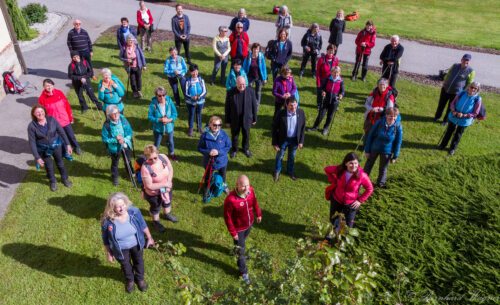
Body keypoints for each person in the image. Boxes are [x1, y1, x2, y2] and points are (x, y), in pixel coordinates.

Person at [101, 192, 154, 293]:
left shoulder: (134, 212)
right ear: (112, 208)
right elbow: (105, 239)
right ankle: (130, 280)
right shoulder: (107, 221)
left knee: (139, 261)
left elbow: (143, 225)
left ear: (126, 203)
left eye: (123, 205)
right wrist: (109, 253)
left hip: (136, 244)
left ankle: (140, 279)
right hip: (120, 249)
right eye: (118, 207)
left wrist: (149, 237)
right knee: (125, 265)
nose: (122, 208)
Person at [223, 175, 262, 284]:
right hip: (238, 229)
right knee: (241, 250)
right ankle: (243, 271)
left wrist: (258, 214)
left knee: (240, 243)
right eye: (243, 186)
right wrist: (233, 232)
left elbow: (255, 202)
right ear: (237, 185)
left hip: (249, 225)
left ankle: (236, 248)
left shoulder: (251, 191)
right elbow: (227, 217)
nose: (246, 189)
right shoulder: (231, 200)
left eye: (247, 186)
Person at [28, 104, 72, 191]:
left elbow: (61, 132)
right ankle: (53, 181)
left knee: (60, 163)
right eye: (37, 112)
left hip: (56, 145)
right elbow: (32, 142)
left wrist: (68, 144)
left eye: (41, 111)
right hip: (43, 149)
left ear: (44, 111)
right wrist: (37, 157)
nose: (40, 113)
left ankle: (65, 179)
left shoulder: (52, 119)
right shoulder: (31, 126)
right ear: (33, 114)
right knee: (49, 166)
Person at [324, 152, 373, 230]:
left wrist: (360, 201)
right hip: (336, 200)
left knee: (348, 224)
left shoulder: (362, 175)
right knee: (333, 220)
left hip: (351, 204)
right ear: (346, 163)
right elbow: (327, 169)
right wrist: (334, 181)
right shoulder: (340, 170)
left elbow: (370, 189)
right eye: (351, 163)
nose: (354, 166)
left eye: (356, 163)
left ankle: (343, 238)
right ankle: (331, 235)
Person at [38, 79, 81, 156]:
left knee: (71, 135)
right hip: (54, 123)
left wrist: (70, 117)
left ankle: (76, 147)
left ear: (53, 85)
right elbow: (42, 113)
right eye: (47, 85)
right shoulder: (42, 99)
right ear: (44, 87)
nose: (49, 87)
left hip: (65, 119)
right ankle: (66, 151)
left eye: (50, 85)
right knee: (61, 138)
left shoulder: (59, 93)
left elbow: (67, 105)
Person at [141, 144, 178, 233]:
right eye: (150, 159)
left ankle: (167, 214)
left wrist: (169, 181)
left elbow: (170, 169)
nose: (153, 160)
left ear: (158, 154)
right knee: (156, 207)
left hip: (166, 188)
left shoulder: (163, 157)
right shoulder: (145, 168)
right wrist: (165, 184)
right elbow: (149, 186)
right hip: (154, 193)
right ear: (146, 158)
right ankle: (156, 221)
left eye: (155, 158)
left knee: (167, 201)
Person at [438, 82, 482, 156]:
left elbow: (475, 113)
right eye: (472, 87)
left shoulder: (478, 99)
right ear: (469, 87)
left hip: (465, 120)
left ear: (477, 90)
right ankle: (443, 145)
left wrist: (464, 115)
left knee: (458, 134)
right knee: (449, 131)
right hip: (454, 116)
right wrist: (453, 111)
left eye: (475, 88)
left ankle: (452, 149)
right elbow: (452, 103)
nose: (473, 89)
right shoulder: (461, 93)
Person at [363, 107, 403, 188]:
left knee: (383, 169)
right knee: (368, 165)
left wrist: (395, 156)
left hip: (387, 152)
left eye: (395, 116)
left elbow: (398, 142)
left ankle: (380, 184)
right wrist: (367, 150)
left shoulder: (398, 127)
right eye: (390, 116)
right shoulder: (379, 122)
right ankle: (362, 181)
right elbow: (370, 136)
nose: (393, 118)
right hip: (374, 148)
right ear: (386, 115)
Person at [434, 54, 475, 125]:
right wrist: (445, 82)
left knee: (451, 107)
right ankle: (437, 116)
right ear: (461, 59)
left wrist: (462, 91)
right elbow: (448, 74)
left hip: (456, 93)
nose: (466, 61)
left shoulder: (471, 71)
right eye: (465, 59)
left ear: (469, 61)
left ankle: (445, 121)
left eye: (467, 60)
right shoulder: (455, 66)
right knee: (441, 104)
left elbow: (469, 83)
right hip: (445, 89)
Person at [198, 115, 232, 199]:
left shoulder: (223, 134)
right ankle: (207, 187)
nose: (217, 127)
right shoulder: (204, 136)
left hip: (222, 161)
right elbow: (199, 148)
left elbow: (228, 146)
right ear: (210, 125)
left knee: (223, 175)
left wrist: (219, 152)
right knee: (208, 176)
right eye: (214, 125)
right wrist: (208, 152)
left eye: (219, 125)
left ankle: (223, 185)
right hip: (209, 162)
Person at [272, 97, 305, 182]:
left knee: (292, 157)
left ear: (297, 104)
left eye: (295, 105)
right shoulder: (281, 113)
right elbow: (274, 128)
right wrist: (275, 143)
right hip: (283, 140)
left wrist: (301, 141)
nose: (293, 108)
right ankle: (277, 171)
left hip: (294, 140)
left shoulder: (301, 113)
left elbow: (302, 128)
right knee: (279, 156)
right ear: (286, 105)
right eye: (291, 106)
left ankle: (290, 172)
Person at [101, 105, 134, 186]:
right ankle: (115, 177)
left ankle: (130, 173)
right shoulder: (107, 125)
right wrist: (116, 140)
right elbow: (104, 139)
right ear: (109, 115)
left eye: (117, 112)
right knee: (115, 163)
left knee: (128, 160)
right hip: (114, 149)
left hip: (125, 145)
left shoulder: (123, 119)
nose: (116, 115)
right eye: (113, 113)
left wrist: (124, 139)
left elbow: (129, 132)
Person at [225, 76, 257, 158]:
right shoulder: (230, 92)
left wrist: (254, 118)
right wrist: (227, 121)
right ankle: (234, 149)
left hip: (246, 118)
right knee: (235, 135)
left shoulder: (251, 91)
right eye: (240, 84)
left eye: (243, 84)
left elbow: (254, 106)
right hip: (235, 119)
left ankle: (245, 149)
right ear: (236, 84)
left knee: (246, 134)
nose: (242, 86)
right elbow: (227, 107)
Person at [307, 66, 344, 135]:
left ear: (339, 73)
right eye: (334, 73)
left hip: (334, 101)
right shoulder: (327, 79)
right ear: (331, 72)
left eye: (337, 73)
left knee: (330, 116)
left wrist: (341, 95)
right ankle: (315, 127)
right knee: (321, 114)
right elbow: (322, 87)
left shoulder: (340, 81)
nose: (336, 74)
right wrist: (323, 91)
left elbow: (342, 91)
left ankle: (325, 128)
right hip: (326, 100)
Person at [148, 86, 178, 161]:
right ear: (156, 96)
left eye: (164, 95)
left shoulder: (169, 101)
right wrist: (159, 120)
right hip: (158, 128)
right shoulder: (153, 104)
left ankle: (171, 154)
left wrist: (169, 120)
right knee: (157, 143)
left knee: (170, 141)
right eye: (160, 95)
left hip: (169, 127)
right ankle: (154, 157)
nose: (162, 97)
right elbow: (150, 117)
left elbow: (175, 114)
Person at [243, 43, 267, 108]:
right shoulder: (248, 56)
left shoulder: (261, 57)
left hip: (258, 77)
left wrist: (264, 78)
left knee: (258, 92)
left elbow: (264, 68)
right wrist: (243, 76)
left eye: (257, 49)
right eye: (255, 48)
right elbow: (244, 67)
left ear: (259, 50)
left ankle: (256, 106)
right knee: (248, 90)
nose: (256, 50)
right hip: (250, 77)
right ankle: (248, 104)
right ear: (252, 49)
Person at [184, 64, 207, 136]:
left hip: (200, 101)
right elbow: (186, 92)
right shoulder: (188, 81)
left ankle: (199, 127)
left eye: (196, 71)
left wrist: (199, 96)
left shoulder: (201, 80)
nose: (195, 73)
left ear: (198, 71)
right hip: (190, 102)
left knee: (199, 114)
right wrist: (192, 97)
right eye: (193, 72)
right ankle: (190, 128)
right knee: (191, 114)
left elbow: (204, 91)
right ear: (190, 72)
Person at [315, 44, 339, 112]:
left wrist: (338, 79)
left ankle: (330, 105)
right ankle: (319, 104)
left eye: (332, 51)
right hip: (322, 80)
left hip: (331, 80)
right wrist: (318, 83)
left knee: (330, 93)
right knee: (320, 93)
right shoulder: (321, 59)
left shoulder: (336, 59)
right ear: (327, 50)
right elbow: (318, 72)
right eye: (329, 51)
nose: (331, 53)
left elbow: (337, 70)